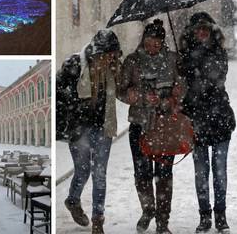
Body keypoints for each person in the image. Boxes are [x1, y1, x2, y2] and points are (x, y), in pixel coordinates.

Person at [118, 19, 184, 234]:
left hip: (165, 125)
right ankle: (148, 210)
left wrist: (171, 97)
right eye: (150, 41)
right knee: (142, 172)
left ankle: (163, 222)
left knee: (164, 174)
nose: (154, 46)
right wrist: (133, 96)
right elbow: (120, 91)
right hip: (139, 123)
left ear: (163, 42)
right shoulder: (132, 61)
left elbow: (182, 87)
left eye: (158, 42)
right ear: (143, 40)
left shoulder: (173, 60)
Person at [178, 12, 236, 233]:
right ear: (192, 32)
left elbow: (216, 78)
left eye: (205, 29)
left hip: (219, 118)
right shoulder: (185, 55)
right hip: (196, 120)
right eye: (198, 29)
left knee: (219, 170)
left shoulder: (219, 52)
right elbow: (185, 86)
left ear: (211, 31)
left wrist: (195, 65)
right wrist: (185, 65)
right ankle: (205, 215)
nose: (201, 32)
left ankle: (220, 215)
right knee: (201, 172)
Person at [61, 30, 122, 234]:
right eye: (109, 55)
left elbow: (122, 90)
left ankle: (98, 221)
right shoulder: (74, 65)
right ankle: (73, 200)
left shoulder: (112, 69)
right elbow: (62, 100)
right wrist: (72, 125)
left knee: (100, 174)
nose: (111, 60)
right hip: (80, 130)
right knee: (83, 171)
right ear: (97, 53)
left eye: (114, 56)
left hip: (103, 127)